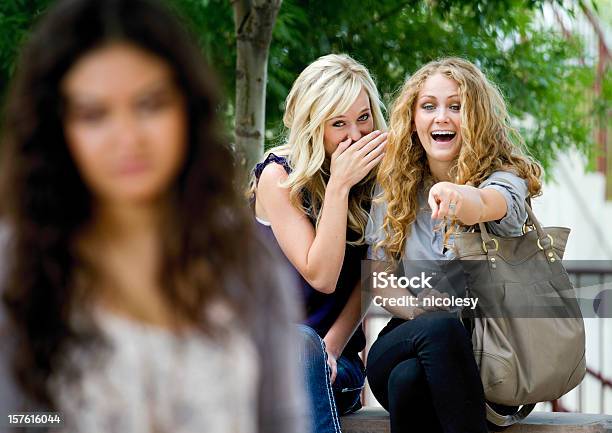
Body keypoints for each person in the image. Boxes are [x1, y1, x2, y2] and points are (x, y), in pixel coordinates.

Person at [0, 1, 306, 432]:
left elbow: (279, 421)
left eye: (150, 104)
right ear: (56, 126)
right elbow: (15, 416)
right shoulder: (15, 265)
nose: (128, 137)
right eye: (94, 114)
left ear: (187, 109)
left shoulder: (241, 258)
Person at [364, 57, 543, 433]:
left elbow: (494, 204)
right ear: (413, 119)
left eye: (456, 106)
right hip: (408, 333)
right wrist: (417, 310)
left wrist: (458, 196)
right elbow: (378, 277)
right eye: (428, 106)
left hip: (490, 361)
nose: (441, 116)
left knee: (408, 380)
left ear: (476, 117)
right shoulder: (396, 184)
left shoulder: (504, 178)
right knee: (436, 330)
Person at [250, 53, 387, 433]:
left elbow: (371, 277)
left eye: (364, 117)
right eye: (338, 123)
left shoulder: (379, 176)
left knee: (307, 350)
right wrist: (340, 185)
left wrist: (331, 348)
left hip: (335, 366)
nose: (356, 135)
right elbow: (322, 275)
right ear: (313, 126)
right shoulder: (278, 176)